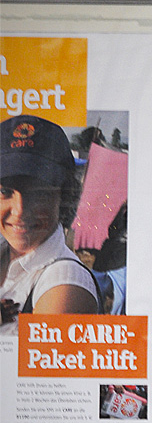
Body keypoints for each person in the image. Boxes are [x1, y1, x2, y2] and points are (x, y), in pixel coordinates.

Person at [1, 114, 100, 333]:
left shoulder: (63, 283)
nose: (19, 211)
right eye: (5, 191)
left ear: (64, 197)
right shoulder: (6, 254)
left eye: (37, 193)